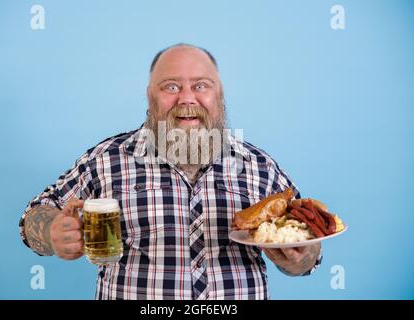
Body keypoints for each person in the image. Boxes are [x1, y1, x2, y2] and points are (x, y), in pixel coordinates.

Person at [19, 43, 322, 300]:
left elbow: (311, 250)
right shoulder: (107, 159)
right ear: (150, 97)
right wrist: (50, 230)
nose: (187, 98)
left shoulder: (259, 165)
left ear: (219, 97)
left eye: (201, 85)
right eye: (171, 86)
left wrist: (302, 258)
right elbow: (35, 214)